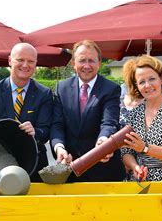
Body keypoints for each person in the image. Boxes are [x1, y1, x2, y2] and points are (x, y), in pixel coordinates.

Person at [51, 39, 125, 182]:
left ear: (99, 63)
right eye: (81, 60)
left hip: (103, 171)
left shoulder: (111, 89)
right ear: (73, 63)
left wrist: (104, 143)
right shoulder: (62, 88)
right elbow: (57, 124)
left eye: (91, 61)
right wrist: (59, 148)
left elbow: (109, 123)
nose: (86, 65)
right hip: (70, 169)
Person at [0, 42, 52, 182]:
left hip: (34, 165)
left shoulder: (44, 93)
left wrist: (35, 132)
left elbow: (46, 131)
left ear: (36, 64)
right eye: (20, 60)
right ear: (10, 60)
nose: (25, 65)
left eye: (30, 61)